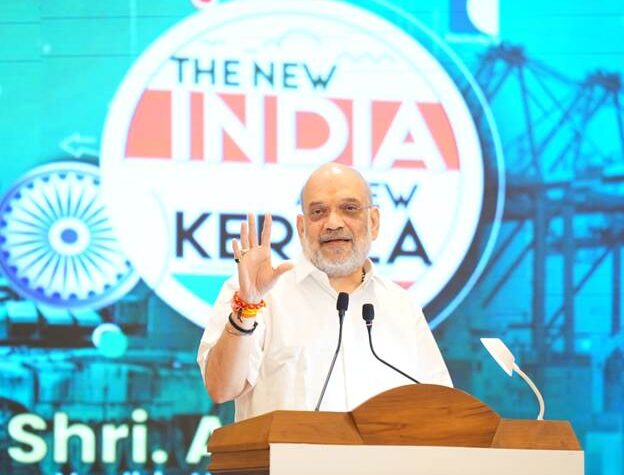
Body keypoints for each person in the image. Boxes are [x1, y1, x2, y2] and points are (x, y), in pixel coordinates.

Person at [197, 163, 452, 421]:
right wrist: (247, 306)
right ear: (301, 227)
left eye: (349, 209)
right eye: (318, 212)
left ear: (373, 222)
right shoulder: (257, 294)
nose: (333, 223)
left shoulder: (401, 306)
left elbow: (442, 410)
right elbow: (221, 389)